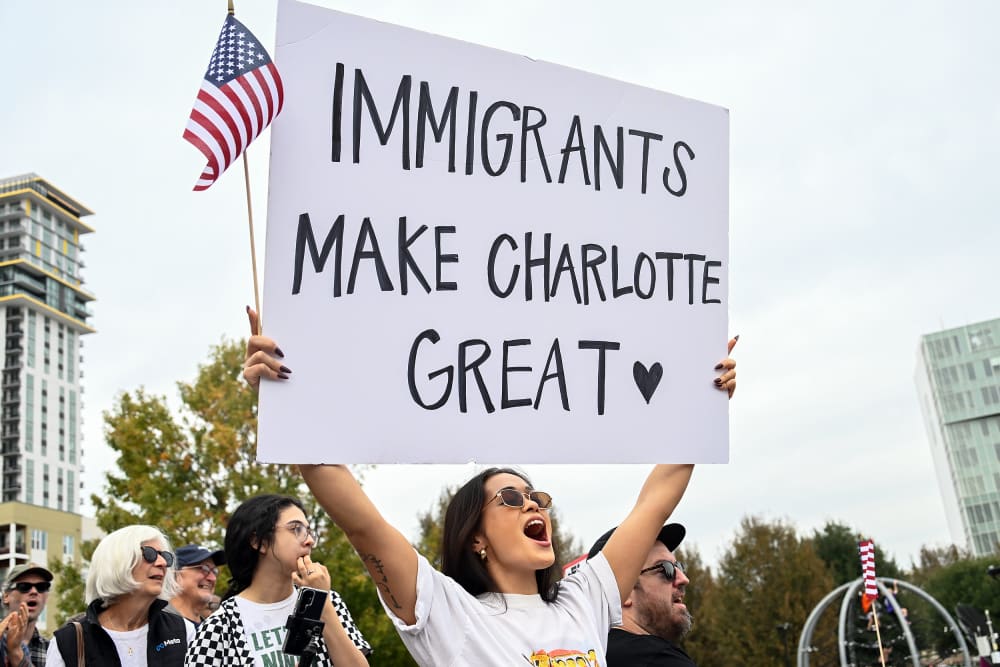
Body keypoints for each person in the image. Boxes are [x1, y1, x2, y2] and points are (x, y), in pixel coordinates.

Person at [243, 307, 736, 666]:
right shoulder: (447, 613)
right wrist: (287, 401)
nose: (532, 505)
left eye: (537, 498)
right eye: (511, 498)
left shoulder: (584, 598)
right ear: (475, 537)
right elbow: (361, 523)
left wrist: (702, 398)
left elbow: (655, 500)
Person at [184, 494, 371, 666]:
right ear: (259, 542)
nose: (309, 541)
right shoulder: (220, 626)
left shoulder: (330, 601)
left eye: (309, 531)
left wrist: (322, 604)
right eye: (296, 529)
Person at [47, 525, 193, 666]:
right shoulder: (69, 642)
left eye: (165, 556)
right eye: (149, 554)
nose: (162, 563)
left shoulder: (183, 631)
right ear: (117, 562)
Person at [588, 523, 695, 666]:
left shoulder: (582, 657)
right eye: (666, 569)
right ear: (622, 592)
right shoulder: (661, 660)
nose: (684, 579)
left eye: (679, 567)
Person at [2, 563, 53, 666]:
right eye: (24, 586)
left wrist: (16, 652)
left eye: (41, 587)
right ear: (6, 596)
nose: (34, 592)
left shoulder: (52, 650)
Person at [165, 545, 224, 626]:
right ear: (176, 574)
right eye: (204, 569)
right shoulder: (156, 623)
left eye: (214, 571)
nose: (213, 578)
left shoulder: (211, 629)